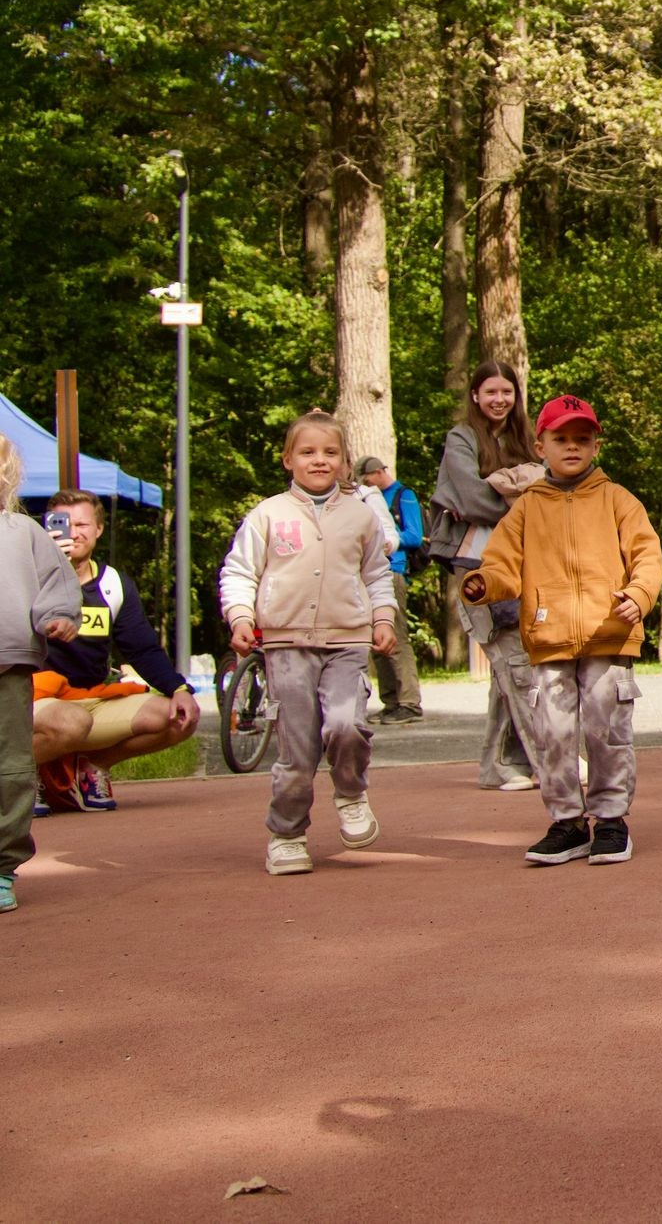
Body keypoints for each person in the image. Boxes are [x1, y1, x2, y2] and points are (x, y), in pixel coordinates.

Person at [465, 394, 660, 867]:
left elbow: (647, 556)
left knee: (606, 727)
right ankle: (568, 823)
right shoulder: (528, 508)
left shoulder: (618, 500)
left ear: (596, 446)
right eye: (561, 439)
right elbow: (503, 565)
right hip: (549, 638)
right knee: (551, 732)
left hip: (607, 633)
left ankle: (611, 820)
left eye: (582, 439)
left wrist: (638, 596)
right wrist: (483, 584)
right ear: (540, 447)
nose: (572, 447)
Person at [220, 410, 396, 877]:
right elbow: (239, 571)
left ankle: (351, 792)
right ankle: (287, 835)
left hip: (346, 640)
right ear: (288, 460)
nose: (320, 460)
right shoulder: (268, 514)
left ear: (344, 462)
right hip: (285, 645)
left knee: (345, 724)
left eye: (330, 453)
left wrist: (383, 617)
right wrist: (240, 616)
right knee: (296, 751)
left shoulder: (360, 516)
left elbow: (377, 575)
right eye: (308, 452)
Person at [31, 490, 200, 813]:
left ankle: (93, 765)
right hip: (35, 701)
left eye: (82, 524)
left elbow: (142, 649)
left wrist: (178, 688)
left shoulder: (114, 585)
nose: (74, 533)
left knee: (179, 717)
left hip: (92, 698)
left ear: (98, 530)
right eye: (63, 524)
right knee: (72, 722)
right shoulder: (26, 575)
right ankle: (22, 777)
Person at [426, 361, 547, 793]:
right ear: (475, 395)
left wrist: (510, 489)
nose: (499, 399)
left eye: (507, 392)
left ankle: (497, 764)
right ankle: (552, 761)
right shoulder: (461, 438)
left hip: (525, 566)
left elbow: (553, 488)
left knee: (510, 666)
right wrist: (525, 500)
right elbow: (471, 499)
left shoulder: (528, 441)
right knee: (515, 661)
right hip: (475, 568)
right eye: (490, 392)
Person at [0, 436, 83, 914]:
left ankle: (2, 864)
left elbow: (57, 582)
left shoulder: (24, 533)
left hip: (8, 664)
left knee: (9, 768)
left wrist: (58, 616)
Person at [356, 456, 427, 723]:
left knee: (396, 637)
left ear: (376, 473)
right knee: (378, 640)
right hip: (370, 572)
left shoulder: (402, 495)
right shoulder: (372, 497)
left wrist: (389, 540)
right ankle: (391, 700)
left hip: (393, 569)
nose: (364, 484)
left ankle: (409, 702)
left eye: (366, 479)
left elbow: (415, 535)